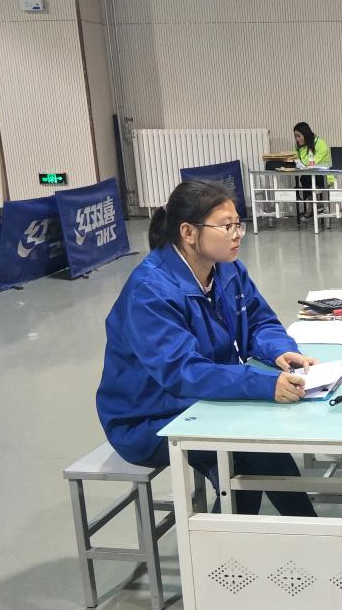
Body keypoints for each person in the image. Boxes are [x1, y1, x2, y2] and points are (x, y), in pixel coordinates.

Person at [96, 180, 318, 517]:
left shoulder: (226, 269)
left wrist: (279, 350)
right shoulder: (151, 291)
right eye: (226, 226)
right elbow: (183, 372)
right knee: (251, 453)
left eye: (238, 224)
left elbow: (260, 320)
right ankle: (303, 534)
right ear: (188, 232)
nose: (237, 235)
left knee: (252, 454)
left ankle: (257, 540)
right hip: (149, 416)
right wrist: (263, 384)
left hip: (204, 399)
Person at [293, 121, 330, 222]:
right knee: (304, 178)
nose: (297, 139)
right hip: (308, 174)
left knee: (307, 177)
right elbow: (296, 158)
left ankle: (313, 208)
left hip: (323, 175)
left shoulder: (320, 144)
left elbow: (312, 163)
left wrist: (299, 162)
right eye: (296, 136)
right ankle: (315, 206)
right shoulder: (300, 146)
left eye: (299, 136)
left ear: (306, 134)